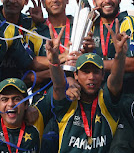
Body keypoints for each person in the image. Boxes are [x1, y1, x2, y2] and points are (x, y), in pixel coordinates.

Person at [47, 18, 128, 152]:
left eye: (96, 72)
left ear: (103, 76)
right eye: (85, 72)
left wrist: (120, 55)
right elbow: (58, 86)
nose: (91, 77)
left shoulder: (107, 100)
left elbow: (116, 79)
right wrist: (54, 61)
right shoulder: (68, 99)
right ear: (76, 75)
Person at [0, 77, 51, 152]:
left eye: (17, 99)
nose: (11, 104)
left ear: (26, 104)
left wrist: (55, 65)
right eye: (4, 99)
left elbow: (58, 90)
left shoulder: (36, 115)